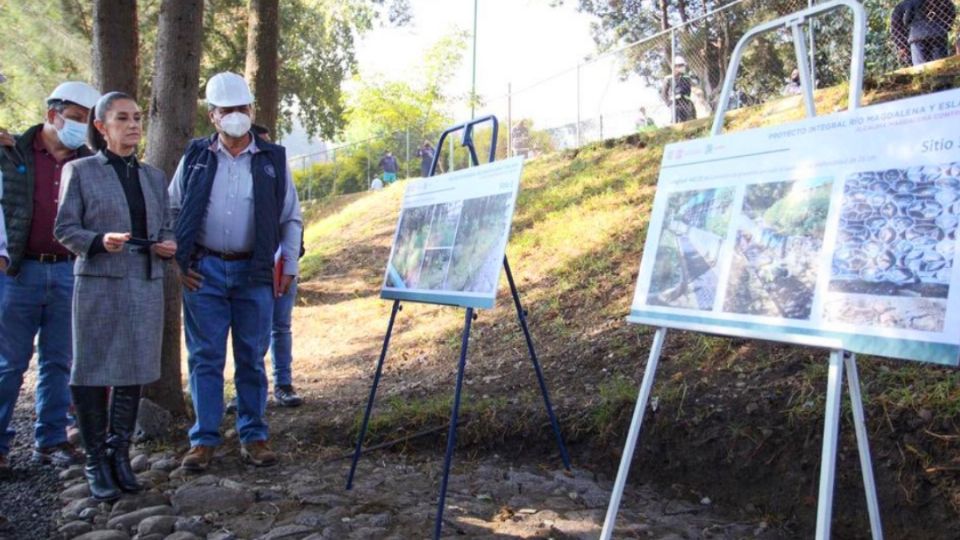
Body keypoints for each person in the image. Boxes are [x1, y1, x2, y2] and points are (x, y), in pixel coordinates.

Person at [169, 72, 302, 471]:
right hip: (203, 271)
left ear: (251, 110)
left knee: (251, 356)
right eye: (227, 111)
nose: (236, 117)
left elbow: (290, 218)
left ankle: (254, 435)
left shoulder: (273, 160)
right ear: (213, 116)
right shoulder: (194, 157)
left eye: (241, 109)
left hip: (255, 272)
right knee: (205, 358)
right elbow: (172, 209)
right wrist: (180, 262)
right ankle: (204, 440)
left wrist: (289, 266)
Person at [54, 92, 175, 501]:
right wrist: (98, 241)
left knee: (135, 368)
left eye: (138, 117)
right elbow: (65, 229)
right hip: (100, 281)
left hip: (144, 280)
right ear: (102, 128)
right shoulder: (82, 171)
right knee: (89, 370)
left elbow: (168, 226)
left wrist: (167, 244)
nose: (134, 125)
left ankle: (119, 453)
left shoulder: (154, 176)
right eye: (122, 118)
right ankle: (94, 460)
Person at [0, 81, 100, 477]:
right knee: (8, 364)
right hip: (18, 272)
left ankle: (52, 439)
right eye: (74, 118)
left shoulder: (89, 162)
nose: (79, 127)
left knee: (60, 361)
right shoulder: (12, 153)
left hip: (67, 271)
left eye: (85, 120)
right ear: (51, 115)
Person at [892, 0, 957, 66]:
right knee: (941, 66)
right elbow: (951, 12)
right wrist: (944, 26)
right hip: (937, 33)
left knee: (920, 69)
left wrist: (901, 44)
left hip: (918, 36)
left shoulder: (908, 2)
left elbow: (895, 21)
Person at [660, 56, 697, 124]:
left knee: (690, 119)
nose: (683, 67)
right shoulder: (668, 78)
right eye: (680, 65)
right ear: (675, 67)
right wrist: (668, 103)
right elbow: (663, 94)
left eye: (683, 65)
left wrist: (691, 76)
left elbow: (696, 82)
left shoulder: (687, 77)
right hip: (675, 103)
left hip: (686, 102)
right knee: (676, 119)